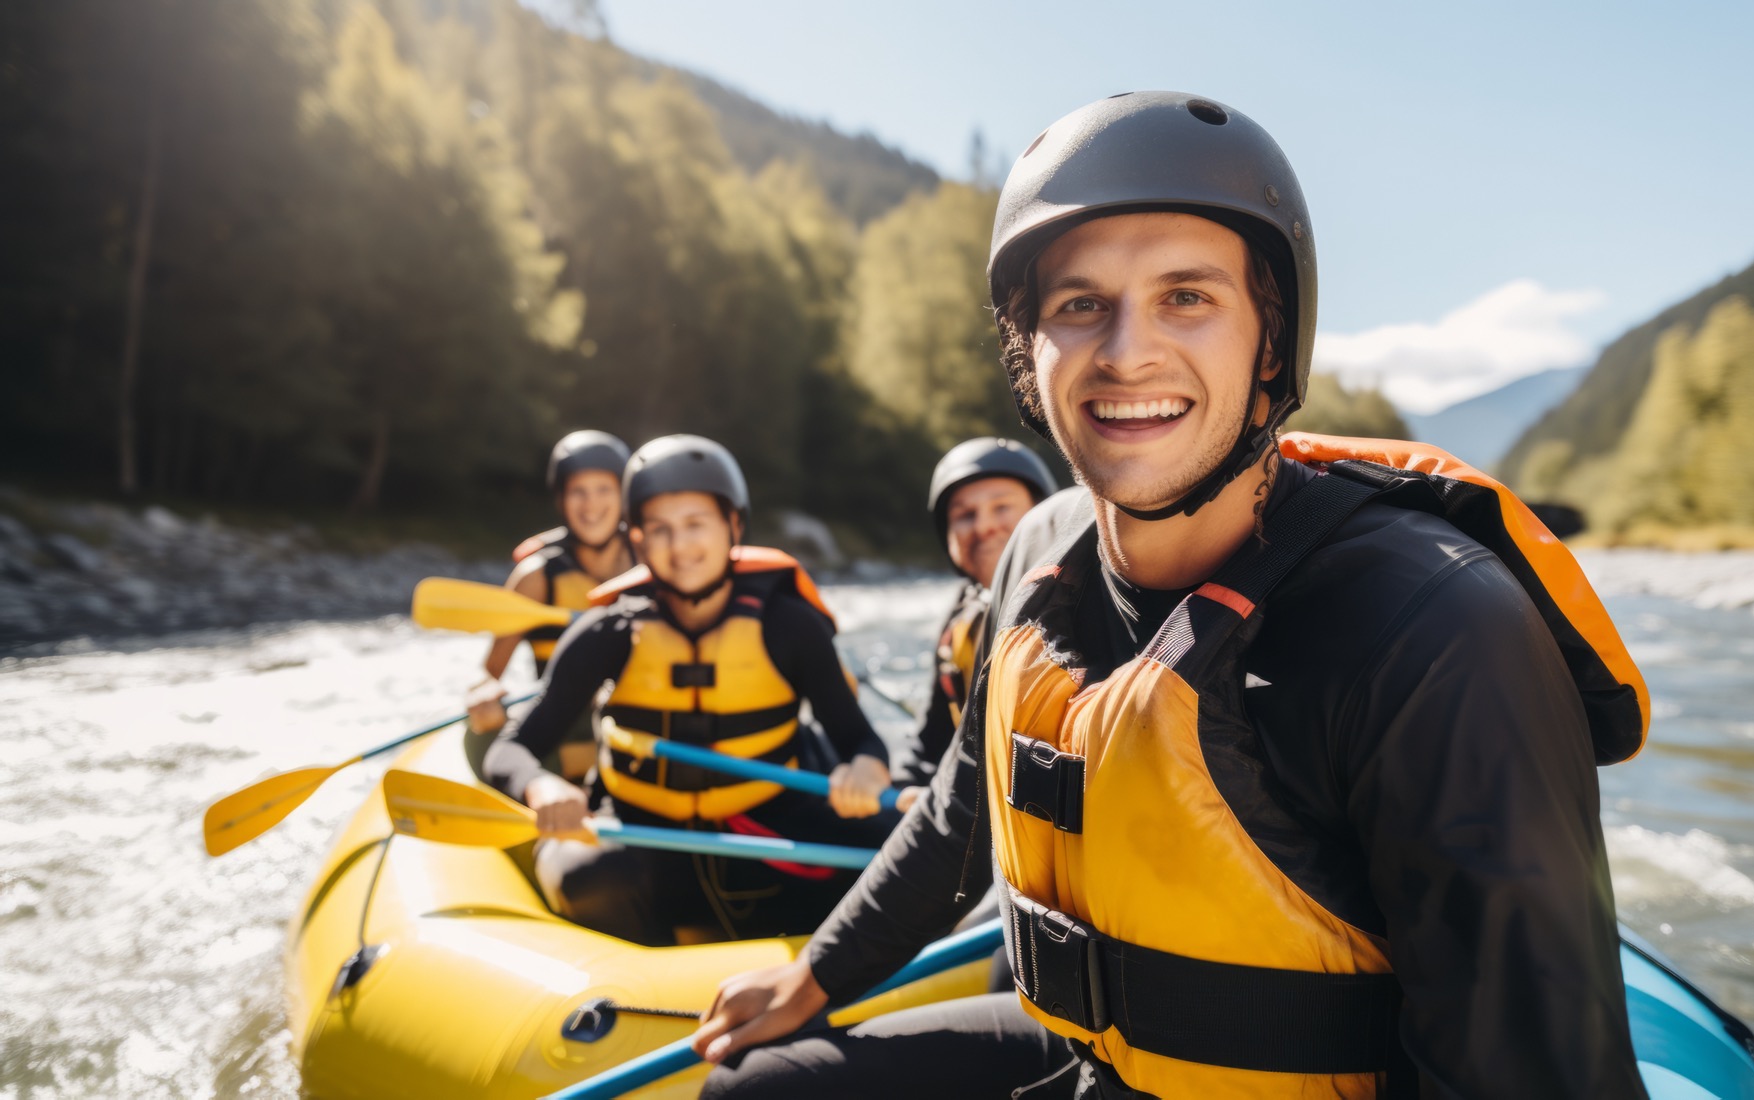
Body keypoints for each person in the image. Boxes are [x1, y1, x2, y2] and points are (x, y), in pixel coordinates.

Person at [689, 91, 1652, 1098]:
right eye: (1078, 304)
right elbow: (958, 811)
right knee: (753, 1088)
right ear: (1030, 354)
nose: (1125, 351)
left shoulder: (1436, 628)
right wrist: (815, 972)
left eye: (1186, 296)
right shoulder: (1038, 552)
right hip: (1090, 1055)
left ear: (1269, 343)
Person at [482, 434, 902, 947]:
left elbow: (859, 738)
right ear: (637, 540)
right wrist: (541, 786)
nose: (679, 547)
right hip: (642, 832)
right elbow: (511, 749)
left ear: (734, 526)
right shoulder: (609, 631)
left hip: (767, 826)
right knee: (584, 877)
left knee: (899, 851)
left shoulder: (789, 625)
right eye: (659, 529)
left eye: (695, 524)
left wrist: (865, 767)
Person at [462, 430, 636, 781]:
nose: (591, 505)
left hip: (633, 722)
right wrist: (484, 694)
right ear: (561, 499)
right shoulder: (536, 578)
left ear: (623, 495)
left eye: (604, 489)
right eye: (578, 491)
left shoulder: (650, 560)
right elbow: (489, 672)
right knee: (483, 737)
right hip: (562, 727)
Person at [890, 437, 1057, 798]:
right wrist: (907, 784)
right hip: (960, 807)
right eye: (964, 515)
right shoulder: (962, 613)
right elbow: (929, 738)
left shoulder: (1080, 610)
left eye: (1001, 508)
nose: (983, 527)